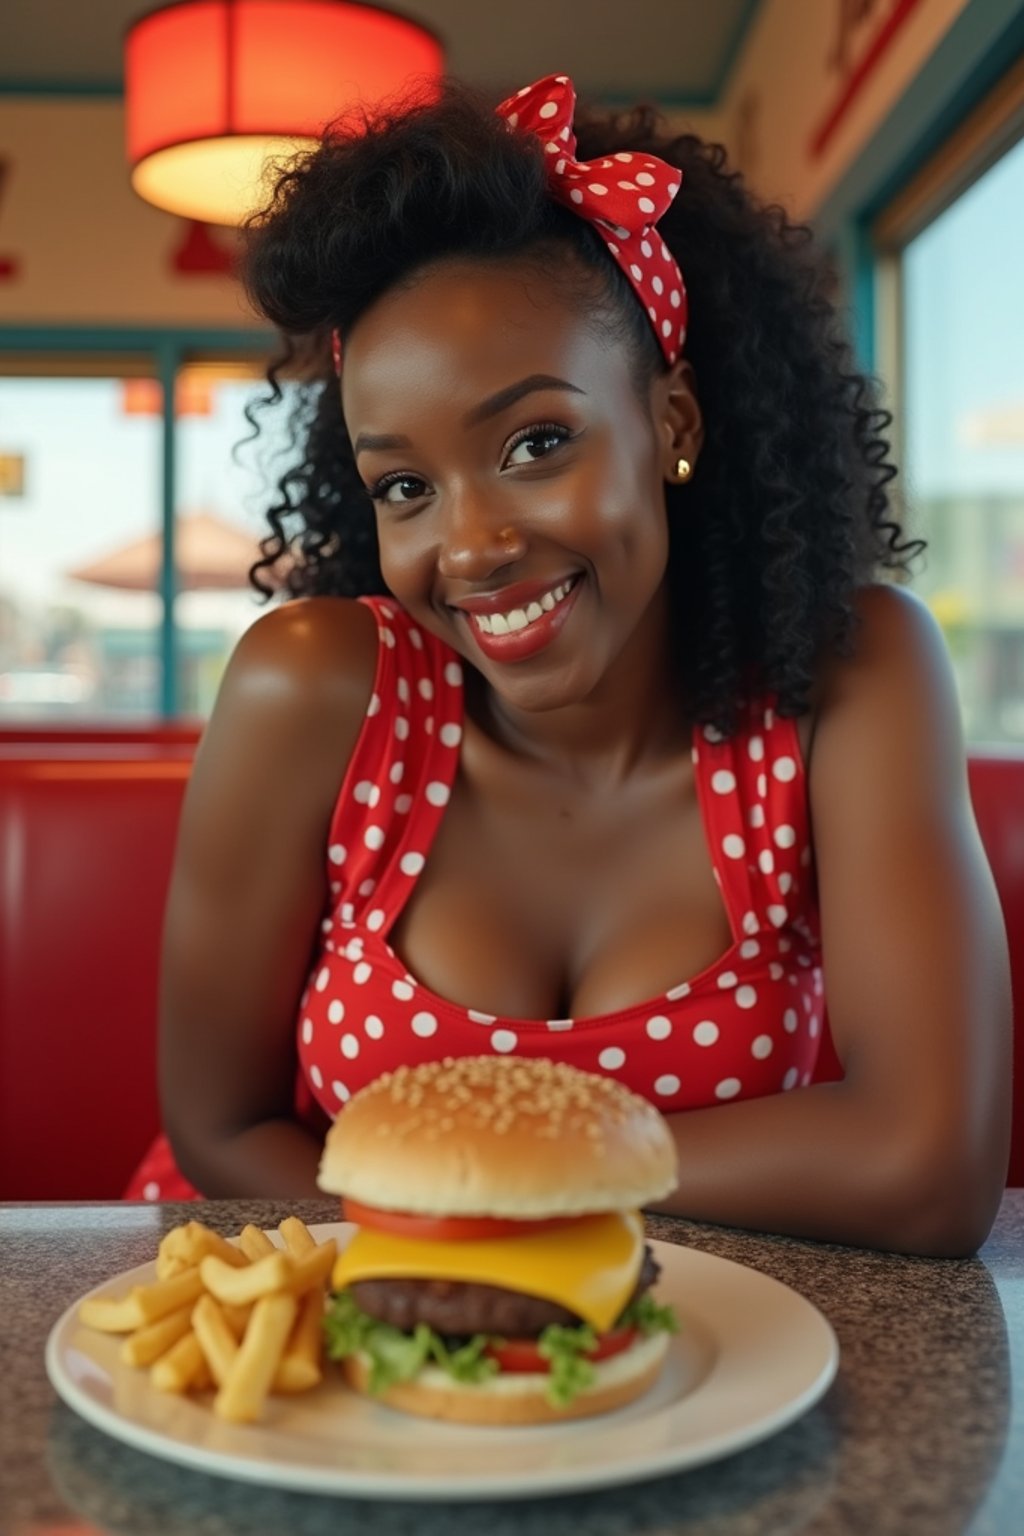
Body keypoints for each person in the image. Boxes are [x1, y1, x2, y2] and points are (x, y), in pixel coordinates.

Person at [125, 72, 1011, 1255]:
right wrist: (481, 1276)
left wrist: (509, 1175)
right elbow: (219, 1128)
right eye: (405, 486)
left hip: (691, 1355)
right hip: (314, 1316)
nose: (473, 546)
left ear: (675, 425)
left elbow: (926, 1167)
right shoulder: (313, 690)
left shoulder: (847, 671)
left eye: (536, 443)